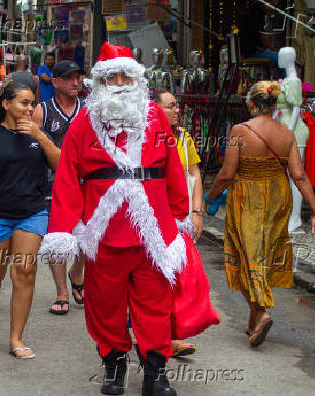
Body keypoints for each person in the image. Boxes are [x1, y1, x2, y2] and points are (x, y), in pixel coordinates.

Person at [41, 42, 198, 396]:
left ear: (138, 79)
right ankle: (114, 367)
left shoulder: (157, 118)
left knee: (155, 305)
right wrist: (64, 230)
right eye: (113, 77)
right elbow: (67, 177)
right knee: (105, 306)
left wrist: (179, 216)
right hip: (104, 233)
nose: (121, 82)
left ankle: (155, 373)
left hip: (153, 232)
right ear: (100, 82)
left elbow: (173, 168)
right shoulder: (84, 121)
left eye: (127, 76)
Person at [206, 81, 315, 348]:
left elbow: (226, 174)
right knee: (261, 256)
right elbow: (299, 175)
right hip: (277, 198)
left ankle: (260, 314)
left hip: (248, 198)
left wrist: (210, 197)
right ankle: (252, 319)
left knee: (245, 255)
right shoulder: (286, 133)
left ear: (251, 103)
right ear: (274, 107)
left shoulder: (239, 130)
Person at [0, 79, 59, 359]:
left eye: (32, 103)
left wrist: (40, 136)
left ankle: (16, 338)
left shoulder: (37, 135)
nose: (30, 108)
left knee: (24, 272)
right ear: (6, 104)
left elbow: (60, 164)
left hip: (32, 214)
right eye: (24, 103)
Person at [32, 60, 85, 315]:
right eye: (69, 78)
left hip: (87, 183)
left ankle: (78, 272)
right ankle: (62, 292)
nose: (75, 82)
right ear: (55, 82)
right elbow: (30, 151)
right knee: (57, 236)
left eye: (78, 77)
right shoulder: (42, 111)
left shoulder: (89, 110)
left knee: (88, 235)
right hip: (52, 183)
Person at [154, 88, 202, 358]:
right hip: (152, 218)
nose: (176, 110)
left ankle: (171, 334)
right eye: (170, 106)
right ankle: (147, 332)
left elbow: (194, 173)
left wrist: (197, 213)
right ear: (156, 109)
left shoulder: (183, 138)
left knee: (177, 277)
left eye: (177, 106)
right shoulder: (147, 137)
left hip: (179, 218)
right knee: (153, 277)